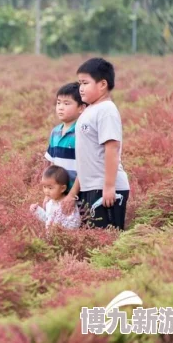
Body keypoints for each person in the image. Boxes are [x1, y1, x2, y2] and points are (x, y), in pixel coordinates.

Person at [64, 58, 130, 230]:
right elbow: (86, 159)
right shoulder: (89, 110)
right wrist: (73, 194)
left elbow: (112, 149)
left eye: (85, 83)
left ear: (102, 84)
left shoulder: (106, 110)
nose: (81, 88)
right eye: (79, 83)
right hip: (89, 188)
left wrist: (109, 187)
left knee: (107, 245)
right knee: (93, 245)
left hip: (106, 190)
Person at [44, 82, 86, 199]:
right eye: (58, 103)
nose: (60, 107)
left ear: (81, 108)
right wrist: (49, 194)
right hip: (59, 195)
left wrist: (72, 195)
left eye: (67, 103)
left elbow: (85, 167)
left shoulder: (82, 132)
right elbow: (52, 165)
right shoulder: (55, 132)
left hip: (79, 195)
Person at [30, 165, 81, 230]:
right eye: (44, 187)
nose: (46, 191)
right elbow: (47, 219)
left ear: (63, 188)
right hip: (51, 238)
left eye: (50, 188)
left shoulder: (67, 204)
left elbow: (75, 223)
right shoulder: (50, 203)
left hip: (64, 238)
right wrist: (37, 211)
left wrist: (59, 227)